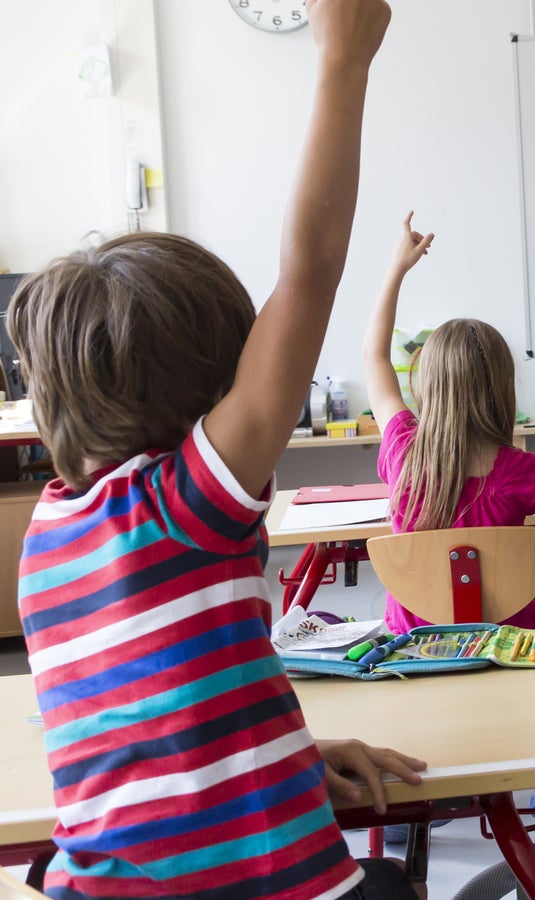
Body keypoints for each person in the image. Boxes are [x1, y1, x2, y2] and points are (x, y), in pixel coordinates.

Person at [9, 2, 430, 897]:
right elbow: (310, 270)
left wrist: (276, 757)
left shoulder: (46, 537)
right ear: (211, 385)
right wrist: (341, 63)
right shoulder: (180, 506)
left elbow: (149, 721)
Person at [363, 212, 535, 636]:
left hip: (416, 643)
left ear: (428, 383)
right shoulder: (527, 473)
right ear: (501, 387)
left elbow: (375, 357)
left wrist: (396, 269)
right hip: (507, 640)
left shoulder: (402, 449)